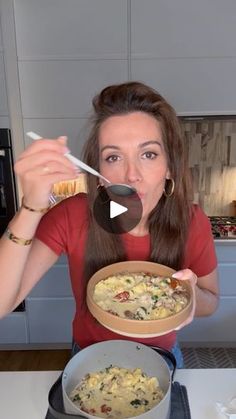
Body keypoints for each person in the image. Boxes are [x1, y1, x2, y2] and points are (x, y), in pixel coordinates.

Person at [0, 81, 219, 368]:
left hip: (162, 359)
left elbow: (211, 302)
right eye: (113, 157)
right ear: (100, 173)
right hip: (89, 359)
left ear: (169, 167)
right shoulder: (74, 214)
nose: (131, 174)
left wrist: (188, 296)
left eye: (149, 154)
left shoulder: (191, 220)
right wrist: (31, 205)